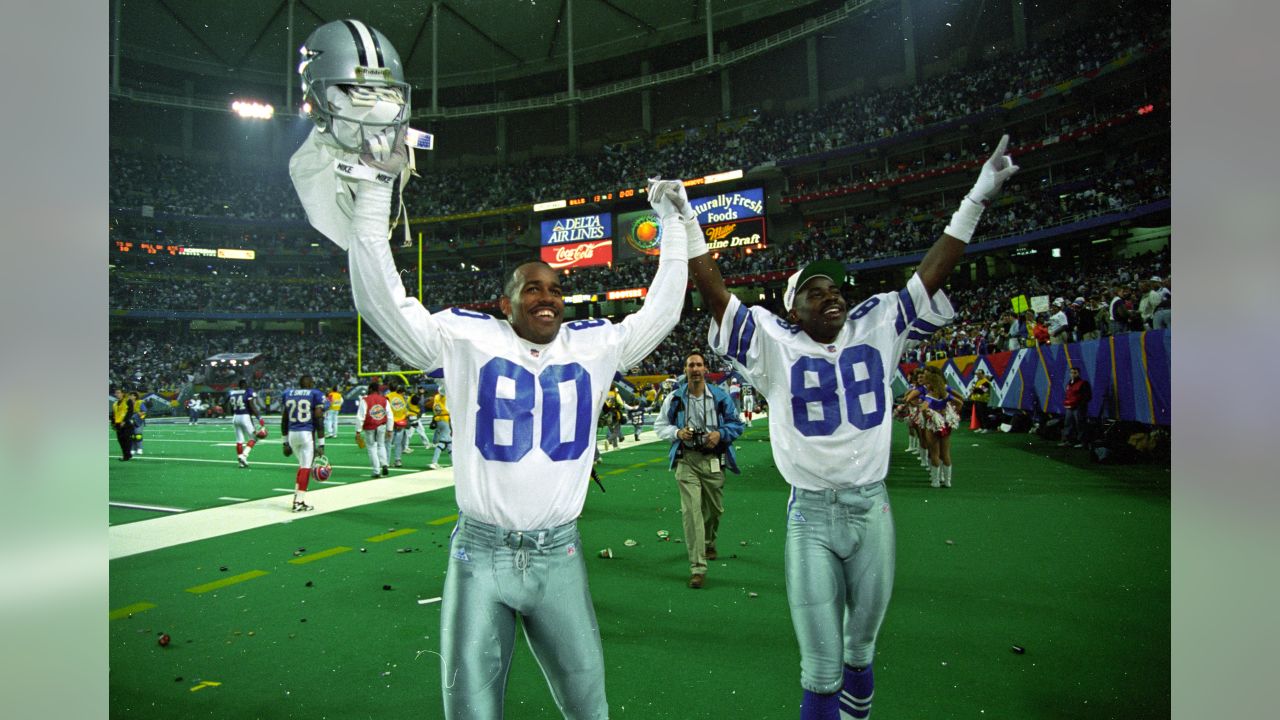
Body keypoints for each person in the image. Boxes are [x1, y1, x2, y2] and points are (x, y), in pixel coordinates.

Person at [289, 21, 693, 713]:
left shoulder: (591, 346)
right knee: (470, 710)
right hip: (481, 554)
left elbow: (659, 315)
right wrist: (376, 197)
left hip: (561, 554)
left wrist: (680, 231)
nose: (546, 296)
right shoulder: (468, 339)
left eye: (555, 288)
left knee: (589, 706)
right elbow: (386, 307)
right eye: (530, 287)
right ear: (503, 302)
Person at [687, 134, 1017, 719]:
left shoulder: (877, 324)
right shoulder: (774, 345)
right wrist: (689, 224)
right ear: (794, 309)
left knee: (861, 652)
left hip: (872, 509)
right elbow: (716, 296)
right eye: (815, 291)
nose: (831, 294)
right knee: (820, 668)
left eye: (835, 287)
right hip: (810, 515)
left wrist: (978, 196)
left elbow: (931, 273)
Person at [653, 351, 745, 588]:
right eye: (690, 365)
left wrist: (719, 434)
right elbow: (661, 425)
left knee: (714, 510)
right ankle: (697, 567)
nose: (695, 369)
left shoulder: (720, 396)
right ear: (685, 370)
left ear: (705, 369)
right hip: (687, 460)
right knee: (691, 513)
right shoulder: (674, 398)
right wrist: (677, 433)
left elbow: (736, 425)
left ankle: (709, 542)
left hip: (713, 459)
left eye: (699, 365)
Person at [280, 374, 327, 512]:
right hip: (306, 434)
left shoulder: (288, 393)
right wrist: (322, 444)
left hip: (292, 434)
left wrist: (285, 442)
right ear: (310, 383)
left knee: (302, 467)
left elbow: (284, 420)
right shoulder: (315, 393)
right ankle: (298, 502)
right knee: (306, 468)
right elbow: (318, 420)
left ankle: (297, 498)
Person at [356, 380, 392, 478]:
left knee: (372, 448)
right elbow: (389, 415)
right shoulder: (384, 399)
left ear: (371, 389)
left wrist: (358, 431)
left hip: (370, 426)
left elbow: (360, 416)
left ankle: (376, 470)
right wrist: (390, 429)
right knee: (381, 445)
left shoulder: (365, 400)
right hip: (381, 425)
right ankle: (384, 464)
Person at [227, 379, 266, 468]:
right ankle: (244, 456)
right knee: (254, 438)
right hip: (244, 416)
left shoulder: (233, 393)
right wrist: (259, 417)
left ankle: (241, 462)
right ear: (244, 384)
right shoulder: (248, 392)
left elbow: (228, 406)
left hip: (235, 417)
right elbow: (252, 406)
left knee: (239, 440)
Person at [1059, 366, 1093, 448]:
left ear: (1079, 373)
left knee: (1080, 425)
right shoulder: (1069, 383)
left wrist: (1080, 405)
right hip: (1069, 407)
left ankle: (1082, 443)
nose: (1073, 374)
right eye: (1071, 372)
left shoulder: (1083, 383)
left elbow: (1088, 396)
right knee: (1068, 424)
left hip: (1078, 408)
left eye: (1075, 373)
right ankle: (1068, 441)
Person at [386, 380, 410, 467]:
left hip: (391, 423)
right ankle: (398, 460)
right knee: (398, 443)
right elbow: (405, 410)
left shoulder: (387, 397)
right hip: (401, 422)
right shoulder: (401, 397)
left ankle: (387, 462)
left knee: (388, 443)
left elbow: (386, 411)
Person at [428, 387, 452, 470]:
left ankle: (453, 461)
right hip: (445, 419)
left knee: (449, 442)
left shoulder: (436, 397)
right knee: (443, 442)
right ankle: (434, 462)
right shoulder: (446, 398)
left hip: (438, 419)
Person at [111, 388, 137, 461]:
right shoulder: (115, 403)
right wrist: (112, 423)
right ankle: (127, 455)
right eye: (116, 393)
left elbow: (130, 411)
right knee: (121, 441)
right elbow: (113, 414)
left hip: (126, 424)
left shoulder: (128, 401)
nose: (117, 394)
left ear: (123, 393)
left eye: (119, 392)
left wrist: (124, 421)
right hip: (118, 424)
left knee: (126, 440)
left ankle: (126, 456)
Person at [968, 368, 992, 433]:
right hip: (976, 400)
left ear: (983, 374)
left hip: (983, 401)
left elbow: (982, 391)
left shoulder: (986, 381)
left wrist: (975, 389)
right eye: (977, 374)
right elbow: (976, 389)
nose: (978, 375)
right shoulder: (978, 381)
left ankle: (986, 428)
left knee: (983, 414)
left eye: (979, 374)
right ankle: (981, 427)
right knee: (978, 415)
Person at [129, 392, 147, 456]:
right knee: (132, 436)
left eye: (131, 395)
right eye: (130, 395)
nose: (130, 397)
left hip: (139, 421)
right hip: (130, 421)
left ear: (135, 397)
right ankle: (133, 449)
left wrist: (140, 414)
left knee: (138, 435)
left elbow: (144, 411)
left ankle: (140, 449)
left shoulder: (140, 402)